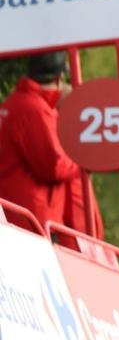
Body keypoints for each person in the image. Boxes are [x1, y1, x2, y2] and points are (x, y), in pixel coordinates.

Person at [0, 52, 101, 235]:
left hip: (19, 215)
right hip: (32, 220)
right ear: (60, 76)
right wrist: (85, 160)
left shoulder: (15, 103)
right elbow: (53, 166)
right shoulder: (35, 109)